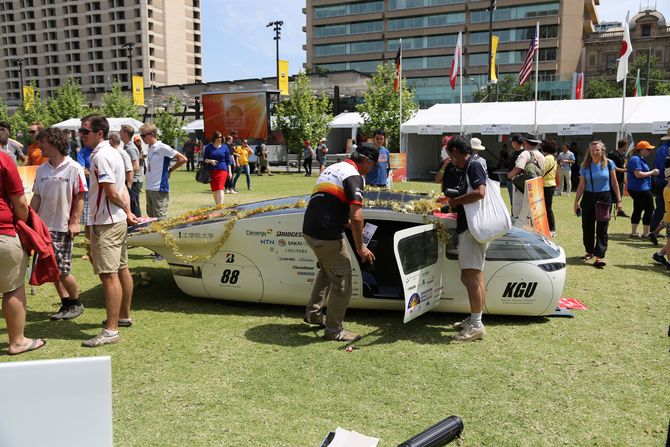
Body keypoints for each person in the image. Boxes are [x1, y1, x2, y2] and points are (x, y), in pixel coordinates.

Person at [302, 143, 378, 342]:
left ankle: (314, 313)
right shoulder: (353, 175)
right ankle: (334, 330)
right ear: (367, 161)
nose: (370, 171)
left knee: (328, 269)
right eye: (372, 166)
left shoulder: (333, 168)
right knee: (343, 281)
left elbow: (328, 203)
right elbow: (357, 216)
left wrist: (346, 224)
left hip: (310, 230)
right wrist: (361, 247)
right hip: (327, 234)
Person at [79, 114, 137, 347]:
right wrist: (128, 211)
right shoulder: (113, 152)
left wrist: (126, 210)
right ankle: (122, 317)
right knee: (121, 268)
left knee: (108, 274)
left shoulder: (101, 156)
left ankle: (111, 330)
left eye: (84, 131)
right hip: (116, 220)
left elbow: (113, 192)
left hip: (107, 222)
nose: (81, 135)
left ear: (99, 133)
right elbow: (123, 187)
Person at [31, 127, 87, 321]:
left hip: (63, 226)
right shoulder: (41, 170)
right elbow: (37, 197)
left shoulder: (73, 167)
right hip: (43, 228)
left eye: (42, 142)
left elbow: (80, 195)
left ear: (54, 143)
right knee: (52, 269)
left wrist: (75, 222)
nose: (39, 146)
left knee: (62, 270)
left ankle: (77, 303)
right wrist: (30, 220)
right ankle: (66, 303)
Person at [0, 148, 46, 355]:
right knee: (12, 288)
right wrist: (28, 223)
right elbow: (20, 203)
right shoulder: (3, 159)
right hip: (3, 233)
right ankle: (17, 341)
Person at [444, 136, 489, 342]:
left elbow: (480, 193)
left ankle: (477, 324)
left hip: (473, 227)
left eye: (450, 155)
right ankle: (475, 319)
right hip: (471, 226)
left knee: (471, 277)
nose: (450, 159)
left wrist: (456, 201)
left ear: (455, 152)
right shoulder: (471, 165)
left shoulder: (473, 165)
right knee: (472, 276)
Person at [573, 141, 622, 268]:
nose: (594, 152)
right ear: (589, 152)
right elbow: (581, 185)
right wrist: (576, 202)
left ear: (602, 151)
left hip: (604, 198)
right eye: (592, 150)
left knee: (602, 228)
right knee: (587, 227)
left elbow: (615, 183)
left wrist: (619, 200)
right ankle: (589, 251)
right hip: (588, 197)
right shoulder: (585, 165)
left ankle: (599, 256)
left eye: (597, 150)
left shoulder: (609, 164)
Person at [141, 123, 187, 220]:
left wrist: (170, 170)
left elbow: (183, 159)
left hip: (159, 188)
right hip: (149, 187)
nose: (142, 138)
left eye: (143, 135)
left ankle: (164, 235)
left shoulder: (162, 147)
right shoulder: (149, 148)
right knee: (151, 218)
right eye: (141, 135)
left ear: (152, 134)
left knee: (160, 219)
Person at [507, 133, 545, 219]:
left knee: (520, 212)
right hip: (536, 187)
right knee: (533, 213)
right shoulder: (541, 155)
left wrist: (510, 175)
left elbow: (519, 168)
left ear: (526, 142)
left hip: (522, 188)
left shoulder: (525, 154)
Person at [626, 141, 659, 239]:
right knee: (649, 209)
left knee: (638, 208)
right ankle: (646, 233)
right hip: (640, 189)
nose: (650, 151)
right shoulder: (636, 159)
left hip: (637, 188)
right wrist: (652, 172)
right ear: (642, 150)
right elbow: (638, 174)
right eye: (648, 149)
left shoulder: (639, 159)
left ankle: (634, 232)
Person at [203, 131, 232, 205]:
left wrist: (230, 172)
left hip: (222, 170)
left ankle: (221, 205)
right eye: (218, 137)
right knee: (214, 188)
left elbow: (229, 161)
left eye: (221, 137)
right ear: (214, 138)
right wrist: (210, 161)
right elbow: (205, 159)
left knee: (220, 187)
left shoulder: (225, 147)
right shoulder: (208, 147)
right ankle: (217, 205)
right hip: (212, 171)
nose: (220, 139)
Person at [651, 156, 670, 269]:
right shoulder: (668, 190)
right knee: (669, 243)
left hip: (668, 218)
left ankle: (659, 255)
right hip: (669, 219)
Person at [120, 125, 143, 217]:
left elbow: (136, 166)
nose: (119, 133)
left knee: (134, 204)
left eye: (121, 131)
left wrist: (122, 171)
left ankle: (137, 224)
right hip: (131, 179)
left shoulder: (130, 148)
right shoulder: (126, 147)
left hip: (134, 181)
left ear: (125, 133)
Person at [650, 129, 669, 236]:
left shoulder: (661, 149)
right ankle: (654, 230)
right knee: (663, 207)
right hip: (666, 181)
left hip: (659, 181)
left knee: (660, 207)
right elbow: (664, 167)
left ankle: (653, 229)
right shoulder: (667, 149)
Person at [607, 139, 629, 217]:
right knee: (612, 194)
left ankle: (619, 211)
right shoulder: (613, 154)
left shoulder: (622, 155)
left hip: (620, 178)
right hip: (613, 177)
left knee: (620, 194)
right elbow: (613, 167)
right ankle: (607, 212)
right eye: (626, 145)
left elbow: (623, 165)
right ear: (624, 146)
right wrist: (625, 170)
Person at [541, 139, 558, 236]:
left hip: (546, 185)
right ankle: (550, 228)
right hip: (550, 184)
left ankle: (552, 229)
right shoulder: (552, 158)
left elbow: (542, 171)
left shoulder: (547, 158)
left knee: (547, 208)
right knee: (547, 208)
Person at [506, 134, 524, 203]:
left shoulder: (522, 153)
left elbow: (519, 167)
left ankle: (514, 214)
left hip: (515, 181)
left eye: (512, 142)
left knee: (514, 202)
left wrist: (510, 175)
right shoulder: (516, 152)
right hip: (514, 180)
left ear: (515, 143)